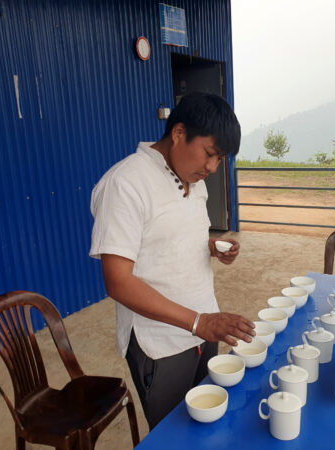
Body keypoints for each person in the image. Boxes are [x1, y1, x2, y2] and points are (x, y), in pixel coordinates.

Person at [89, 92, 255, 429]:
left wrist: (211, 245)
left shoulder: (193, 178)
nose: (211, 167)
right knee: (173, 433)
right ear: (179, 134)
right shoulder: (126, 183)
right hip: (161, 343)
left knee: (206, 424)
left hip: (206, 327)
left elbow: (169, 236)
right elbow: (117, 280)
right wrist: (198, 322)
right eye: (209, 153)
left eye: (220, 158)